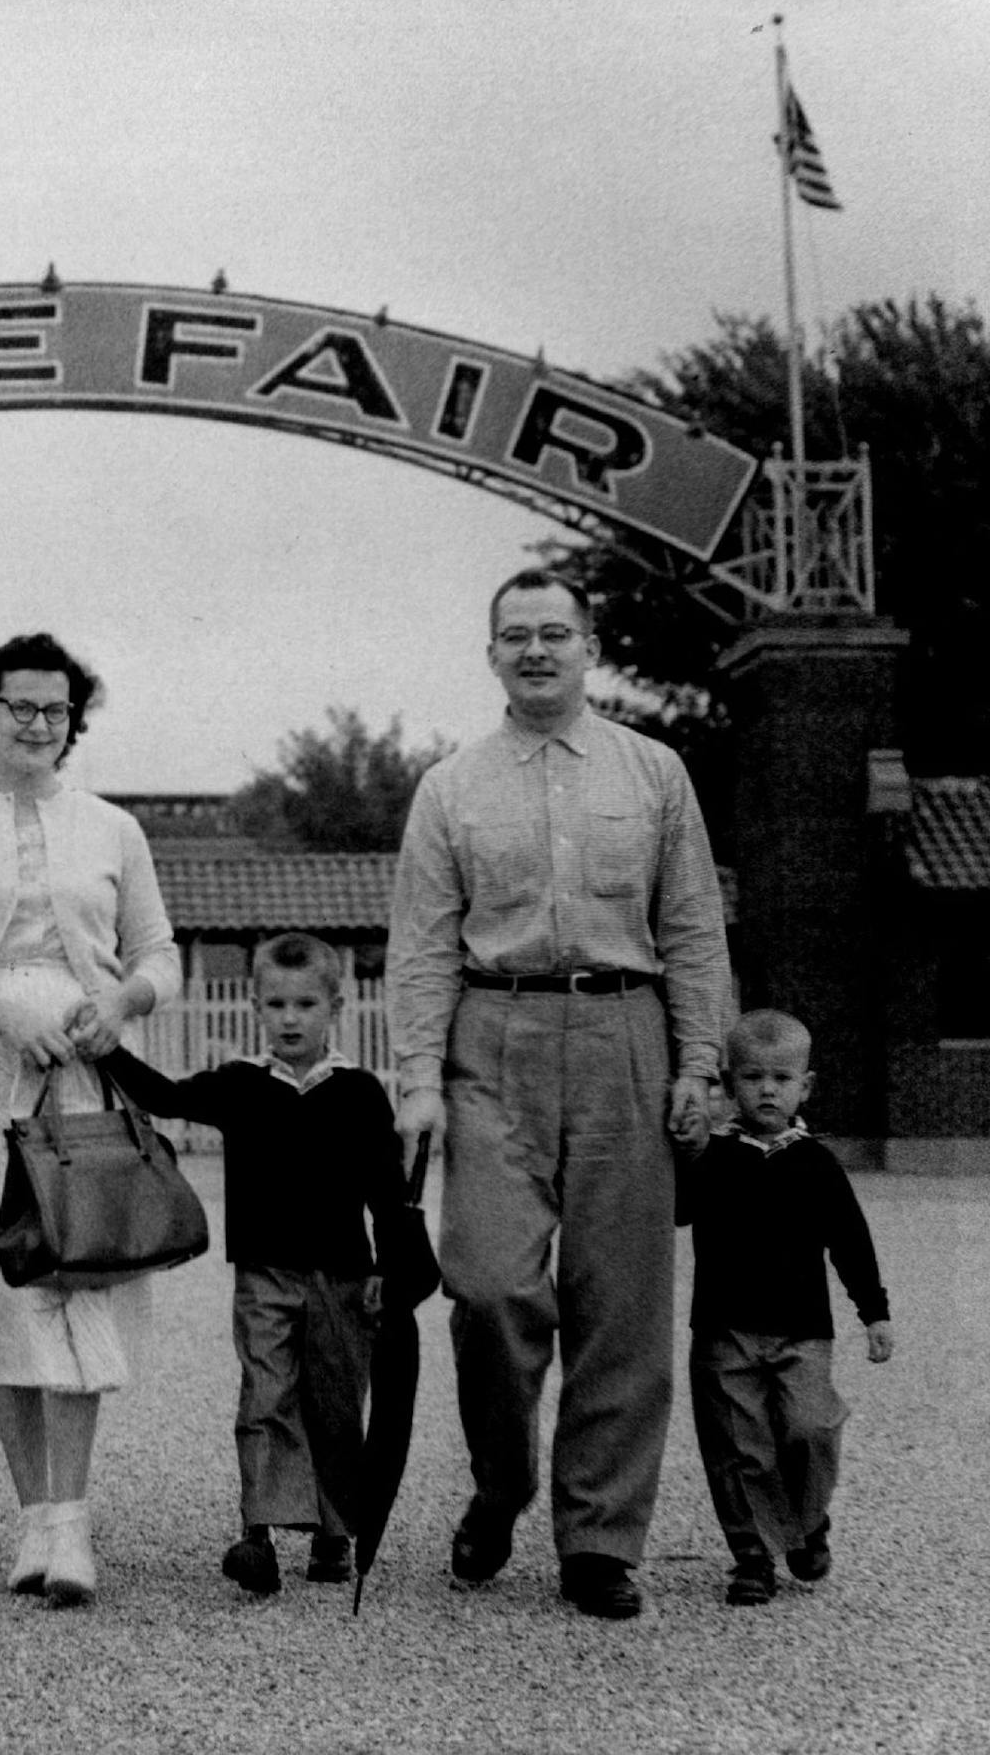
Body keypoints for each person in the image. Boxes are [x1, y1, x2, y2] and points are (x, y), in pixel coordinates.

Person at [387, 570, 731, 1619]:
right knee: (486, 1286)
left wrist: (698, 1061)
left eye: (556, 634)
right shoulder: (450, 787)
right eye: (515, 636)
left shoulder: (656, 772)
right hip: (495, 1037)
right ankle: (503, 1486)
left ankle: (599, 1539)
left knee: (619, 1305)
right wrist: (417, 1083)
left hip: (628, 1031)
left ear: (589, 648)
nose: (536, 651)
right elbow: (421, 949)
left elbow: (692, 930)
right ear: (490, 653)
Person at [0, 631, 181, 1608]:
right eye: (20, 705)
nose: (38, 723)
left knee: (77, 1282)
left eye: (55, 708)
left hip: (85, 1079)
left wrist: (125, 1002)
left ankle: (73, 1525)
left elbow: (160, 953)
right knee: (4, 1289)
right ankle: (32, 1520)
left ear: (73, 719)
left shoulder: (113, 829)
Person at [83, 931, 403, 1596]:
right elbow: (166, 1098)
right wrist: (109, 1050)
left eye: (306, 1004)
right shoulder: (241, 1086)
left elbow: (386, 1188)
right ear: (256, 1005)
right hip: (264, 1273)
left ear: (335, 1007)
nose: (291, 1018)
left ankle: (333, 1533)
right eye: (278, 1004)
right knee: (265, 1395)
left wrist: (388, 1269)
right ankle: (258, 1536)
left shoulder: (361, 1093)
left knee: (338, 1402)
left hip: (343, 1274)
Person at [675, 1009, 894, 1608]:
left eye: (781, 1077)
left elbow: (851, 1240)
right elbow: (674, 1211)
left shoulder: (815, 1163)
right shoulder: (714, 1157)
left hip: (803, 1332)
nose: (767, 1089)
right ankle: (753, 1556)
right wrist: (682, 1149)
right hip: (725, 1329)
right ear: (727, 1082)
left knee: (809, 1427)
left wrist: (873, 1312)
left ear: (806, 1086)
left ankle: (807, 1521)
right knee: (739, 1445)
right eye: (751, 1077)